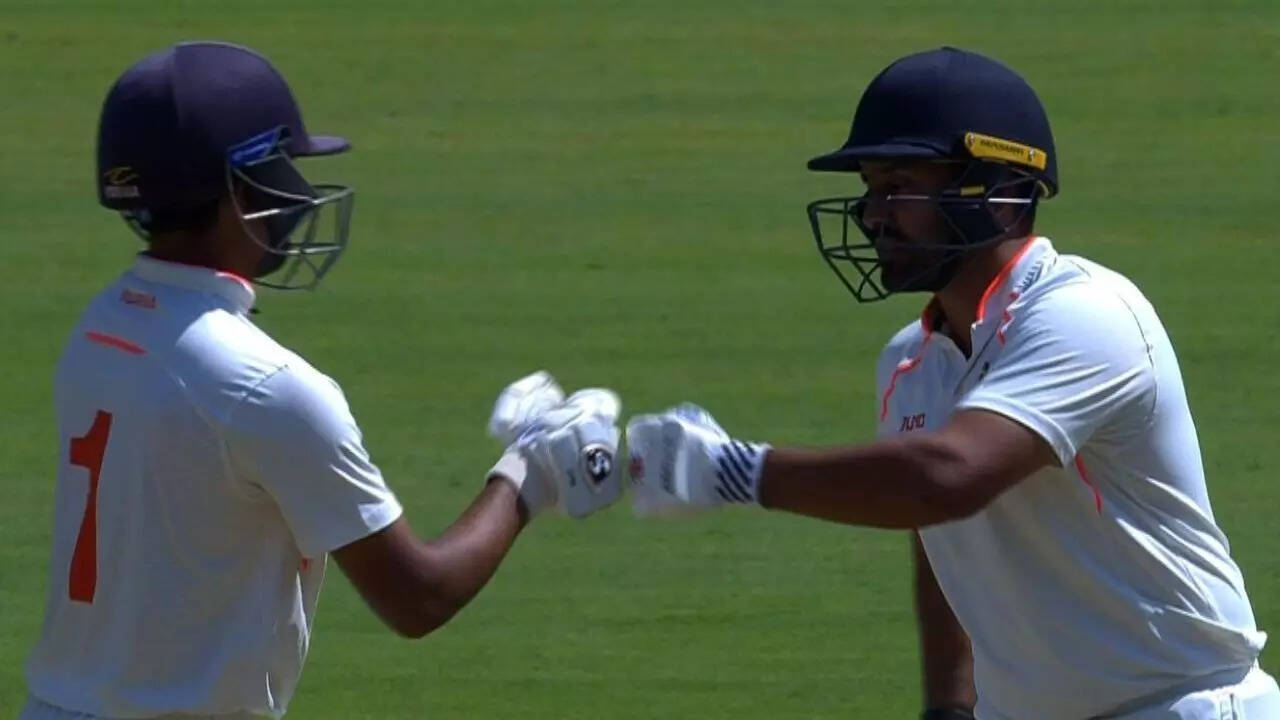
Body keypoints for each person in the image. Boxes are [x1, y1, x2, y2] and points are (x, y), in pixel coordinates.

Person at [626, 47, 1279, 719]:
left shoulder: (1087, 315)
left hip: (1183, 705)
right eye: (871, 188)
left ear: (1001, 195)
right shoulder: (908, 363)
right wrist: (949, 707)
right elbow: (937, 528)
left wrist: (733, 472)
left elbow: (947, 478)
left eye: (899, 186)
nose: (872, 214)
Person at [23, 41, 619, 720]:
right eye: (281, 170)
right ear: (237, 191)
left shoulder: (103, 327)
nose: (298, 196)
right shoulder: (266, 387)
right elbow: (418, 597)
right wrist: (530, 471)